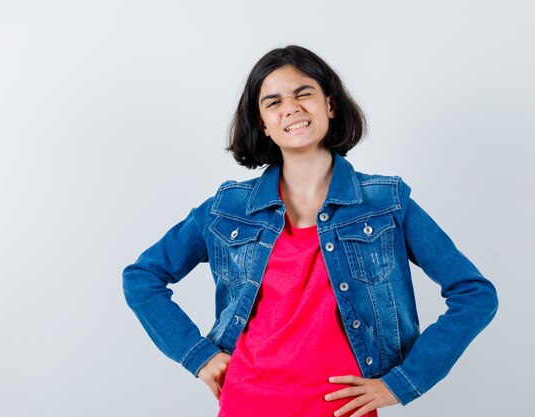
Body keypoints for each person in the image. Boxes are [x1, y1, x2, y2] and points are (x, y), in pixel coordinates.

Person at [122, 45, 498, 417]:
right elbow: (142, 278)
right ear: (262, 124)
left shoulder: (386, 203)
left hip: (343, 410)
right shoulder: (227, 209)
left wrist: (403, 382)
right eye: (272, 102)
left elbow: (474, 294)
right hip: (246, 404)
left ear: (330, 106)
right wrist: (197, 356)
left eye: (304, 94)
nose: (291, 107)